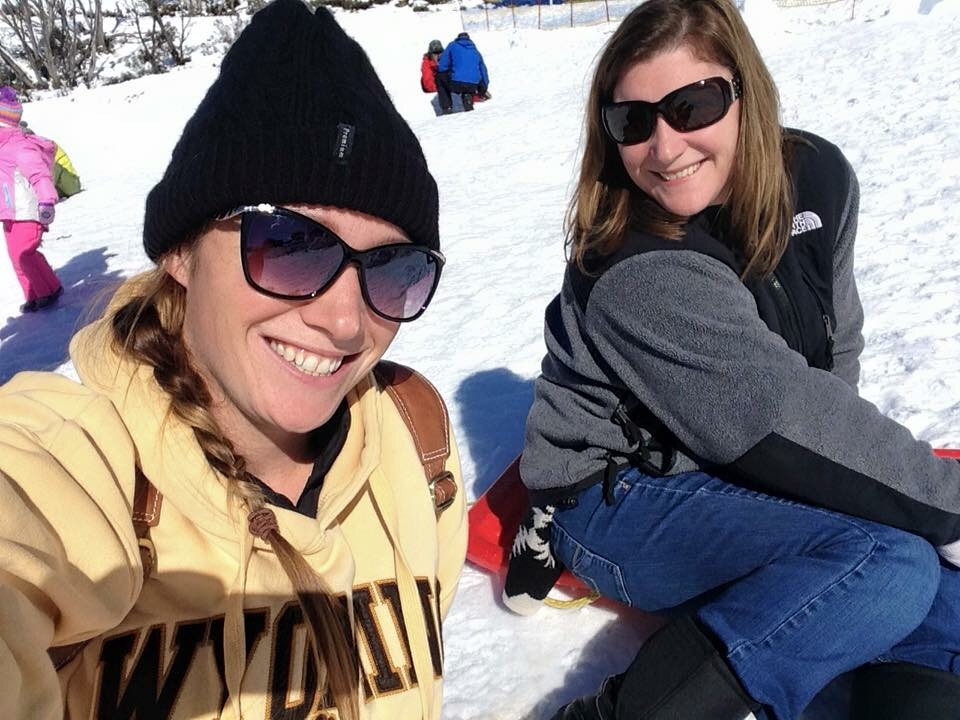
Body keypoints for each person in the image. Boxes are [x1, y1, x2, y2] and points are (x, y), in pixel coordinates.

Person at [0, 1, 466, 718]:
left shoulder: (414, 440)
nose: (346, 321)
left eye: (394, 267)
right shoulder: (71, 466)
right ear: (182, 252)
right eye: (289, 244)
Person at [507, 1, 960, 719]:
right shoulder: (637, 265)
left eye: (692, 106)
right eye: (632, 121)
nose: (665, 147)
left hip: (738, 452)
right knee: (888, 562)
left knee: (938, 588)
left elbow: (835, 344)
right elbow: (770, 417)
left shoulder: (818, 178)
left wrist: (852, 477)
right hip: (619, 491)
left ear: (744, 90)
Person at [0, 86, 63, 313]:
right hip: (10, 213)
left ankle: (47, 291)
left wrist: (47, 200)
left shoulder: (19, 146)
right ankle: (34, 293)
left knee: (24, 254)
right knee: (16, 258)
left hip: (27, 210)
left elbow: (39, 174)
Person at [435, 31, 490, 114]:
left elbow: (442, 66)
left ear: (458, 38)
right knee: (467, 82)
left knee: (439, 78)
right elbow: (483, 71)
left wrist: (445, 71)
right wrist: (484, 88)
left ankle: (447, 107)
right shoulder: (476, 51)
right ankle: (467, 98)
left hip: (457, 82)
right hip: (473, 85)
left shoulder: (452, 45)